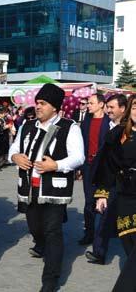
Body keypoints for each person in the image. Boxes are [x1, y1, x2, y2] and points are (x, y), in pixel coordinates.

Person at [8, 84, 84, 292]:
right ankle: (41, 245)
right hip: (29, 188)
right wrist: (15, 156)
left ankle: (50, 279)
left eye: (43, 103)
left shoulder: (70, 127)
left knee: (53, 231)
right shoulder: (27, 125)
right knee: (35, 227)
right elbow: (14, 147)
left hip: (54, 189)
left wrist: (56, 165)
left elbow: (78, 156)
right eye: (37, 103)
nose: (38, 107)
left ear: (55, 108)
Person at [94, 95, 136, 291]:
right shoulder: (118, 134)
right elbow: (107, 166)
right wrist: (102, 194)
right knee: (129, 247)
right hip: (126, 197)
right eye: (135, 107)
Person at [79, 94, 110, 255]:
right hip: (88, 167)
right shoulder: (86, 122)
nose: (87, 105)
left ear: (100, 104)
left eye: (91, 103)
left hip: (104, 168)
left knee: (102, 203)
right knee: (88, 202)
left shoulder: (108, 122)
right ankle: (88, 233)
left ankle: (101, 241)